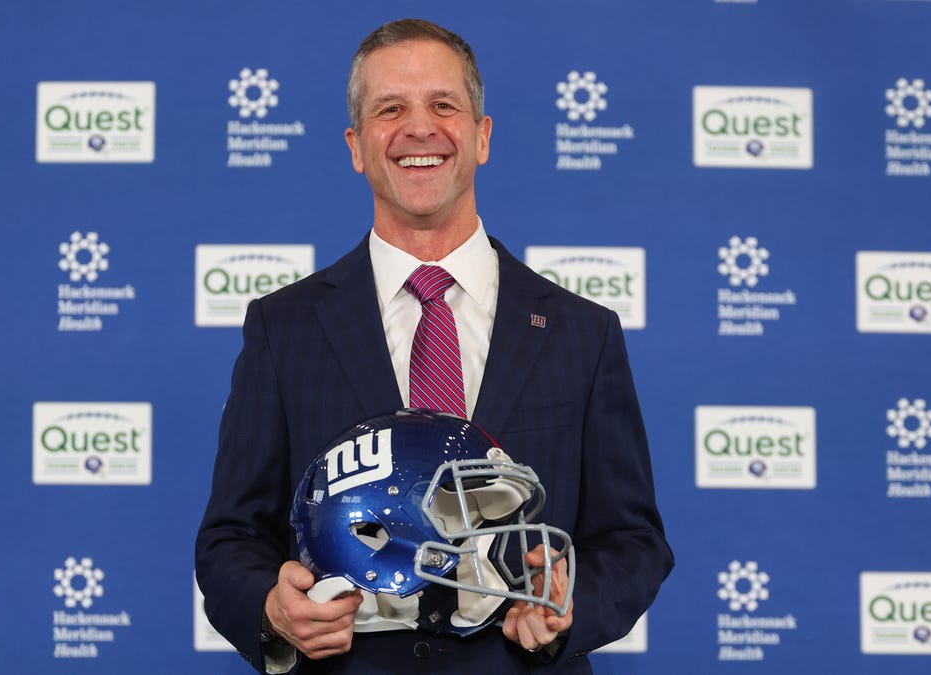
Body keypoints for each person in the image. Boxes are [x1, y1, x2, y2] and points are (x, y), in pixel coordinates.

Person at [196, 18, 672, 674]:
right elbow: (229, 536)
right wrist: (272, 609)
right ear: (356, 145)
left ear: (482, 136)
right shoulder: (284, 328)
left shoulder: (581, 332)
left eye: (443, 105)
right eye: (390, 108)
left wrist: (569, 602)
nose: (420, 128)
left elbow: (634, 538)